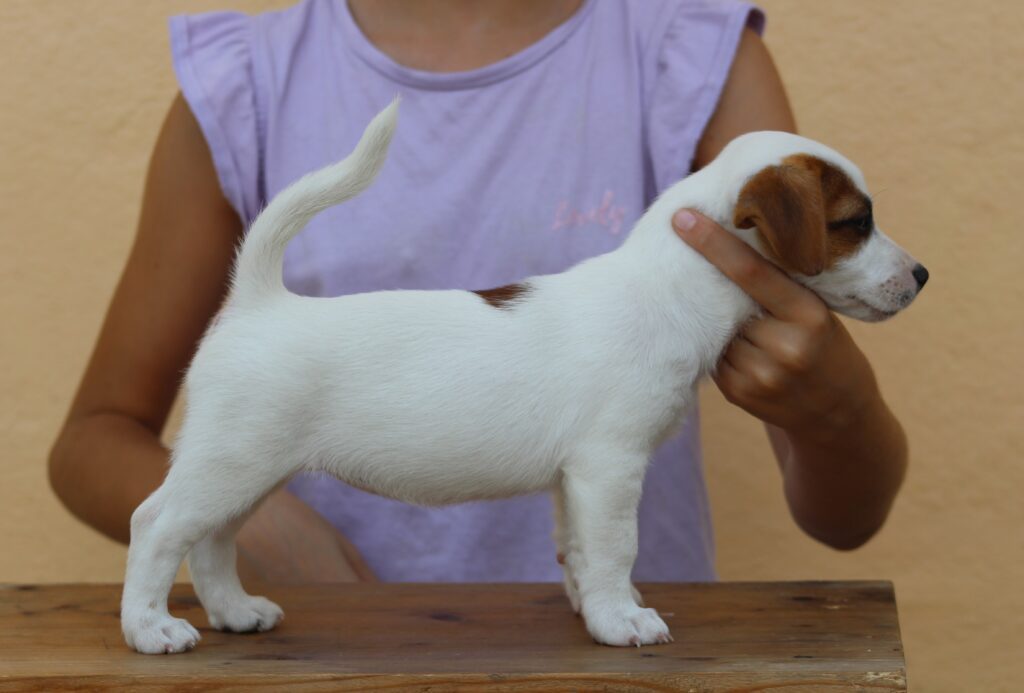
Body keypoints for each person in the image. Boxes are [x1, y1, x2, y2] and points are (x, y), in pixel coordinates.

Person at [48, 0, 907, 584]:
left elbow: (843, 518)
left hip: (624, 662)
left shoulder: (690, 57)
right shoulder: (244, 86)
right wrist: (265, 529)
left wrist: (838, 406)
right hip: (330, 652)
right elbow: (94, 440)